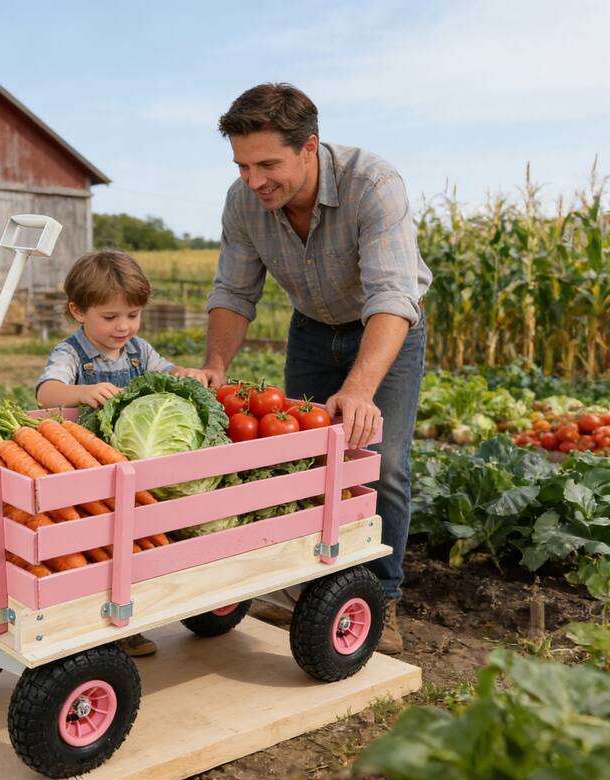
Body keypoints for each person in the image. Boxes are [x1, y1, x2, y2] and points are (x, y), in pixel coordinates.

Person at [202, 83, 432, 655]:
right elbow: (234, 290)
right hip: (310, 331)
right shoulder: (243, 202)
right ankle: (312, 585)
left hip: (386, 331)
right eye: (243, 165)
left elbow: (391, 295)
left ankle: (380, 597)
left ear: (309, 146)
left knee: (381, 462)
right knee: (301, 463)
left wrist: (359, 389)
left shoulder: (373, 183)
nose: (254, 180)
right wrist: (214, 366)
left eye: (267, 164)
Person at [36, 249, 208, 657]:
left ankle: (131, 617)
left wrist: (184, 374)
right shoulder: (70, 354)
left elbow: (166, 372)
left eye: (132, 315)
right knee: (99, 546)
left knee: (135, 544)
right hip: (89, 470)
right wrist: (80, 392)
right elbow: (46, 392)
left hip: (135, 472)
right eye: (110, 317)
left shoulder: (139, 351)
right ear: (78, 311)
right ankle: (97, 621)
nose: (123, 326)